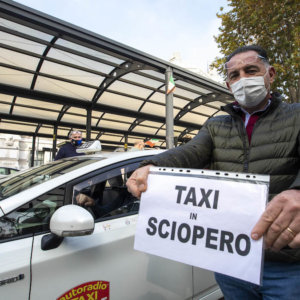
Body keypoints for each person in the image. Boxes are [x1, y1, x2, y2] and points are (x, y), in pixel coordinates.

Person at [126, 45, 300, 299]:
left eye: (250, 70)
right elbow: (192, 151)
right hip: (231, 262)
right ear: (229, 86)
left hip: (285, 265)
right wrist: (151, 165)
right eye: (234, 75)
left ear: (270, 74)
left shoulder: (296, 115)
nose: (242, 79)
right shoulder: (216, 124)